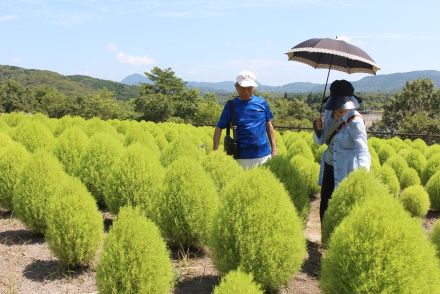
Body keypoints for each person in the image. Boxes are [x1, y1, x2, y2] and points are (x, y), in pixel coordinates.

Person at [313, 80, 371, 223]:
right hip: (328, 166)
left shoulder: (355, 120)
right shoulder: (328, 114)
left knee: (343, 205)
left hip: (346, 169)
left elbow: (362, 150)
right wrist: (318, 129)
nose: (340, 109)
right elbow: (321, 142)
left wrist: (362, 175)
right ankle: (325, 236)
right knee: (325, 205)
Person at [213, 70, 277, 169]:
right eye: (243, 88)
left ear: (253, 87)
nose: (246, 91)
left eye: (250, 88)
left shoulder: (262, 103)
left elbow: (269, 126)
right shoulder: (231, 105)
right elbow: (219, 127)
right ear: (237, 87)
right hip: (241, 157)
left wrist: (274, 148)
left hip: (264, 155)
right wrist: (215, 151)